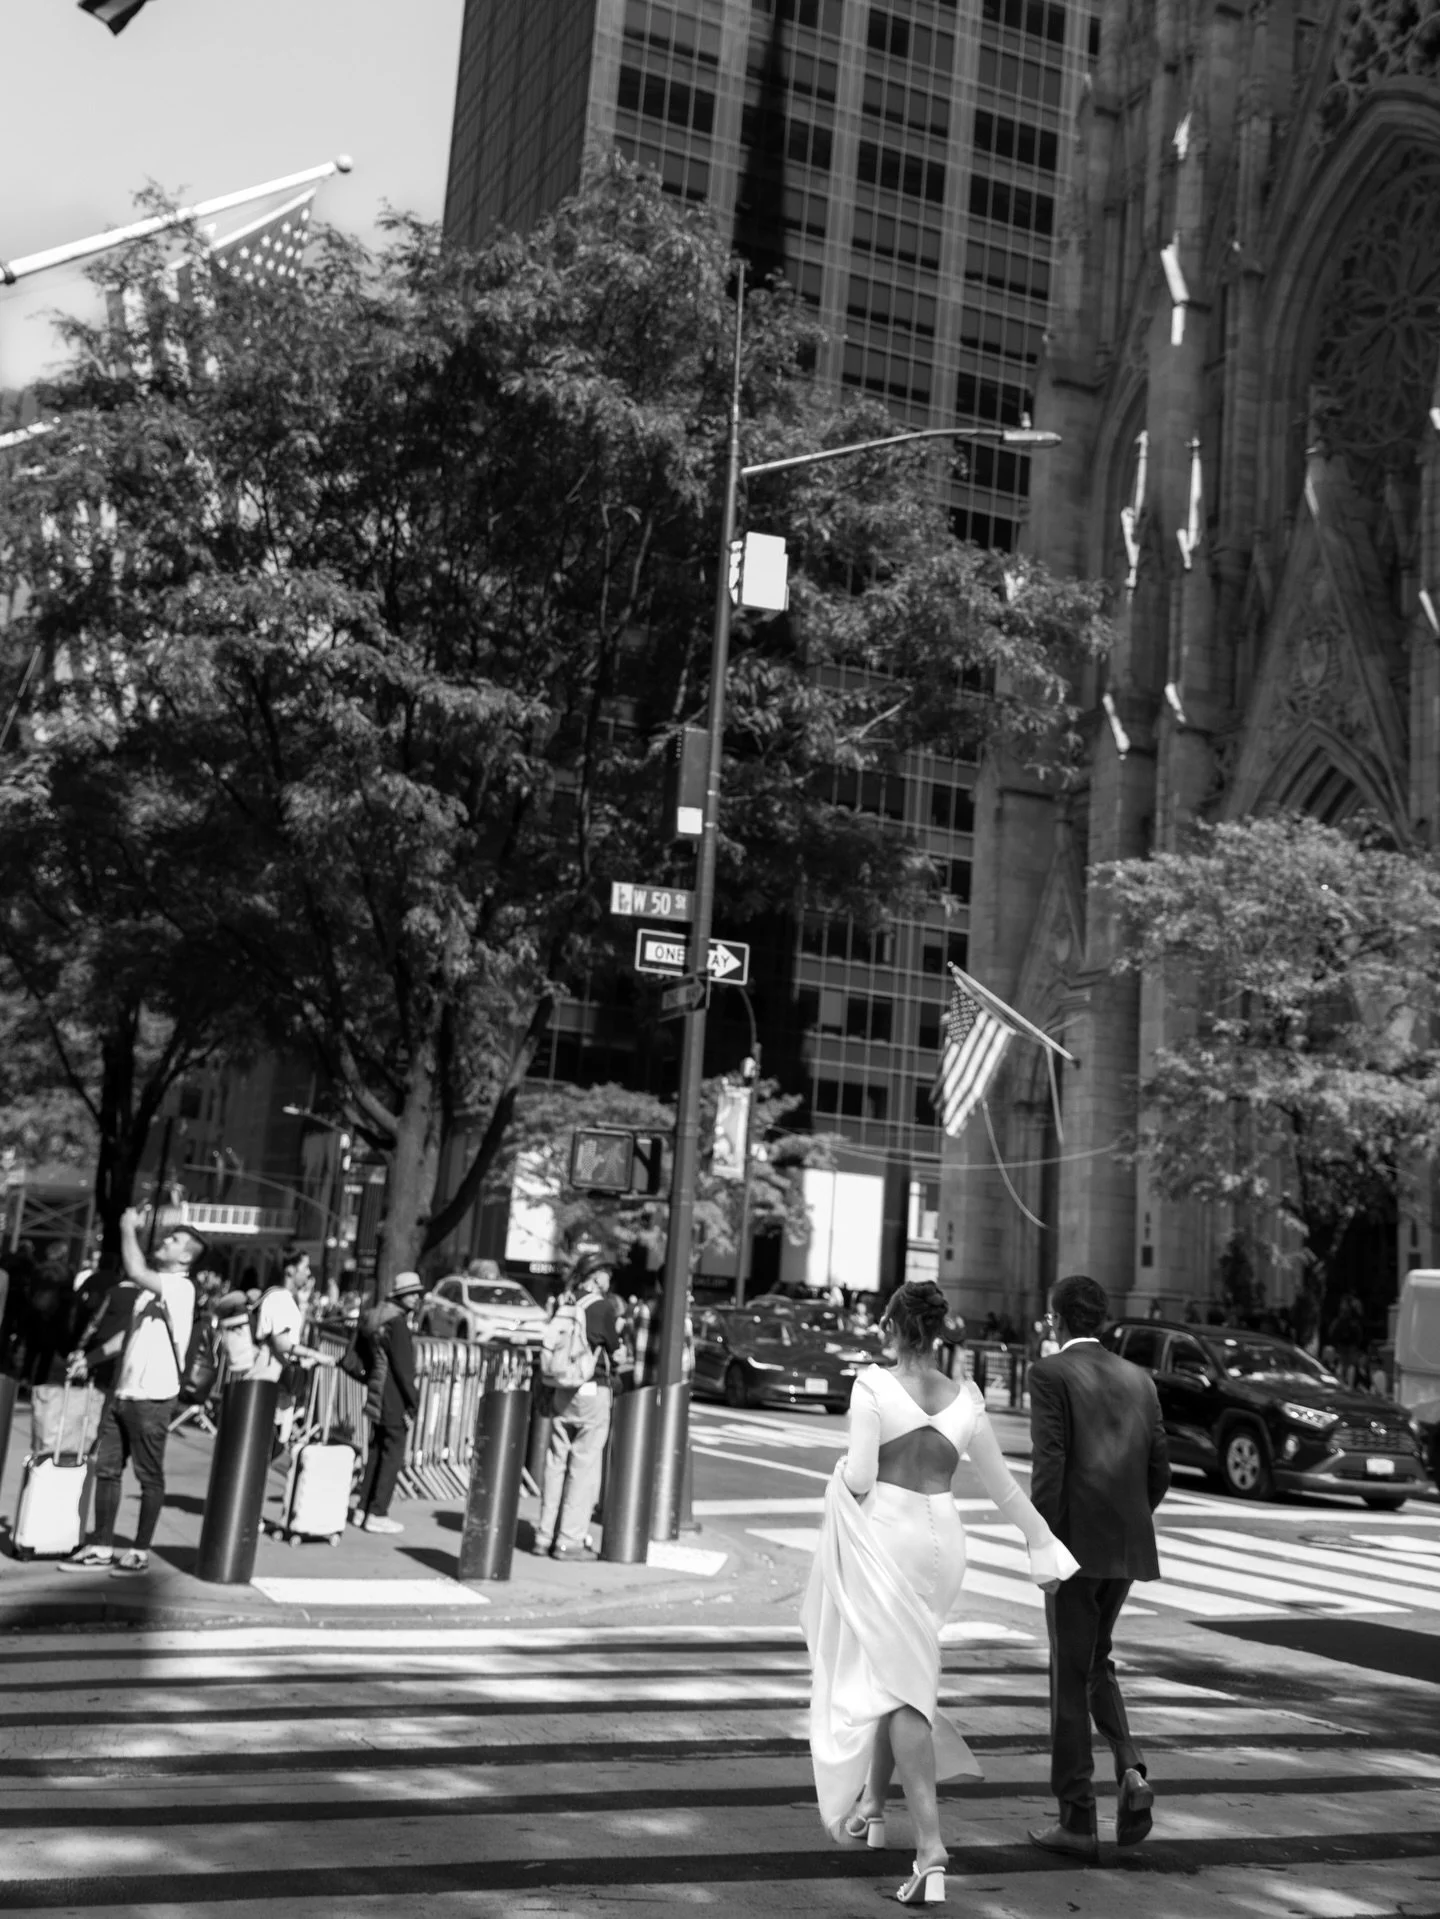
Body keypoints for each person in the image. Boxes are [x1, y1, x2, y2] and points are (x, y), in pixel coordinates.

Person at [802, 1279, 1078, 1906]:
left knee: (902, 1689)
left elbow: (863, 1474)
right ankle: (873, 1806)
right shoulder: (967, 1399)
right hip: (944, 1542)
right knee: (897, 1669)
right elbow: (1007, 1491)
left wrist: (840, 1477)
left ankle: (931, 1849)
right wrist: (1045, 1545)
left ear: (896, 1328)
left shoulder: (873, 1386)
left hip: (888, 1536)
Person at [1025, 1272, 1172, 1861]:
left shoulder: (1049, 1374)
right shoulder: (1139, 1378)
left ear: (1057, 1320)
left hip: (1072, 1545)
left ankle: (1076, 1818)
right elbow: (1159, 1469)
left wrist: (1046, 1544)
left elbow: (1050, 1467)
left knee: (1068, 1673)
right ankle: (1131, 1768)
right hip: (1126, 1546)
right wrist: (1128, 1519)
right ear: (1102, 1321)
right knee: (1096, 1662)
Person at [60, 1208, 203, 1577]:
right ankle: (101, 1546)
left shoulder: (181, 1288)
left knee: (148, 1475)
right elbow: (129, 1337)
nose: (164, 1241)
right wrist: (91, 1359)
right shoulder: (149, 1294)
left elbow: (136, 1270)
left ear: (185, 1256)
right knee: (107, 1470)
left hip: (154, 1399)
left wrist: (126, 1229)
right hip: (123, 1393)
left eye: (173, 1241)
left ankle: (139, 1551)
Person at [533, 1252, 623, 1561]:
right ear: (596, 1276)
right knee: (584, 1466)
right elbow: (616, 1352)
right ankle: (569, 1541)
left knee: (556, 1462)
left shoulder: (565, 1303)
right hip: (591, 1391)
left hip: (561, 1390)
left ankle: (544, 1535)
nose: (609, 1279)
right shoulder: (602, 1308)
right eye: (607, 1273)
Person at [349, 1271, 422, 1535]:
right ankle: (378, 1512)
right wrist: (413, 1403)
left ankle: (363, 1507)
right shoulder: (397, 1323)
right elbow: (404, 1369)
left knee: (377, 1449)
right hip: (393, 1397)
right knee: (392, 1454)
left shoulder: (376, 1317)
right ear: (401, 1296)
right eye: (412, 1293)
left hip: (376, 1391)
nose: (416, 1298)